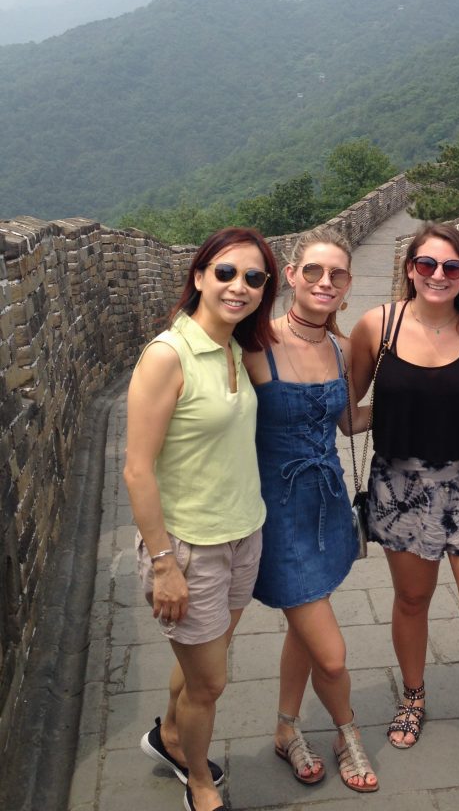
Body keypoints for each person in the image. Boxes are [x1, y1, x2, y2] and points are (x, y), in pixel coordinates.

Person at [350, 222, 459, 786]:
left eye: (452, 267)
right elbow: (345, 402)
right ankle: (414, 696)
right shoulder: (377, 326)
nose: (439, 276)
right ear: (409, 268)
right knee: (411, 600)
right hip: (402, 490)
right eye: (427, 264)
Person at [124, 227, 278, 811]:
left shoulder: (239, 348)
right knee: (210, 682)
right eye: (226, 273)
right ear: (198, 276)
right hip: (190, 548)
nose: (239, 286)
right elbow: (137, 470)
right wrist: (164, 564)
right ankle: (200, 784)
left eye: (254, 277)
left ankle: (167, 738)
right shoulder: (169, 355)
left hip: (244, 534)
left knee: (198, 668)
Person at [244, 227, 378, 793]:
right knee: (331, 651)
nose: (326, 282)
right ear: (291, 277)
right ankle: (347, 732)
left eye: (338, 275)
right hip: (276, 516)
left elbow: (348, 422)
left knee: (304, 624)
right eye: (315, 272)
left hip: (323, 508)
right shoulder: (253, 345)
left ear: (347, 289)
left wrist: (412, 402)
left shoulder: (341, 349)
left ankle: (286, 728)